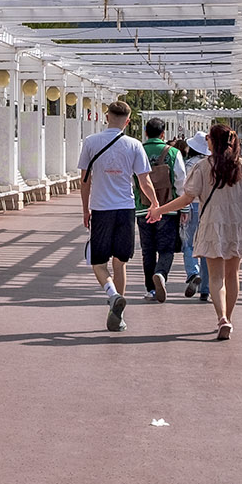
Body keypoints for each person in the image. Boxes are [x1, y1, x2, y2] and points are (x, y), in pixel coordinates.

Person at [147, 125, 242, 341]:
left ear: (214, 142)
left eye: (208, 139)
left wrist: (160, 209)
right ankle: (228, 318)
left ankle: (221, 317)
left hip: (212, 223)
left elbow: (187, 198)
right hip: (237, 224)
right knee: (233, 275)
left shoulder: (204, 167)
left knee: (215, 276)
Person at [78, 100, 161, 332]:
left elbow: (85, 181)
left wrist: (85, 209)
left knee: (98, 261)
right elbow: (144, 180)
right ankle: (118, 314)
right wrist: (155, 203)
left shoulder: (91, 142)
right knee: (120, 262)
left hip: (101, 209)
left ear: (106, 117)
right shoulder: (134, 145)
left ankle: (112, 295)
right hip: (126, 208)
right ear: (127, 120)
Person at [137, 118, 186, 302]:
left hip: (143, 208)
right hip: (168, 208)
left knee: (147, 250)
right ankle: (161, 273)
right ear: (163, 134)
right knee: (166, 249)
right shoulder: (173, 152)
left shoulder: (138, 150)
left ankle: (150, 289)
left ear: (146, 133)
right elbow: (181, 180)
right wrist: (184, 208)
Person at [180, 135, 211, 301]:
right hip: (207, 207)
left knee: (189, 243)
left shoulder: (189, 164)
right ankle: (205, 288)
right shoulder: (210, 165)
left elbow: (183, 188)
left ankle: (193, 273)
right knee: (206, 247)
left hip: (191, 206)